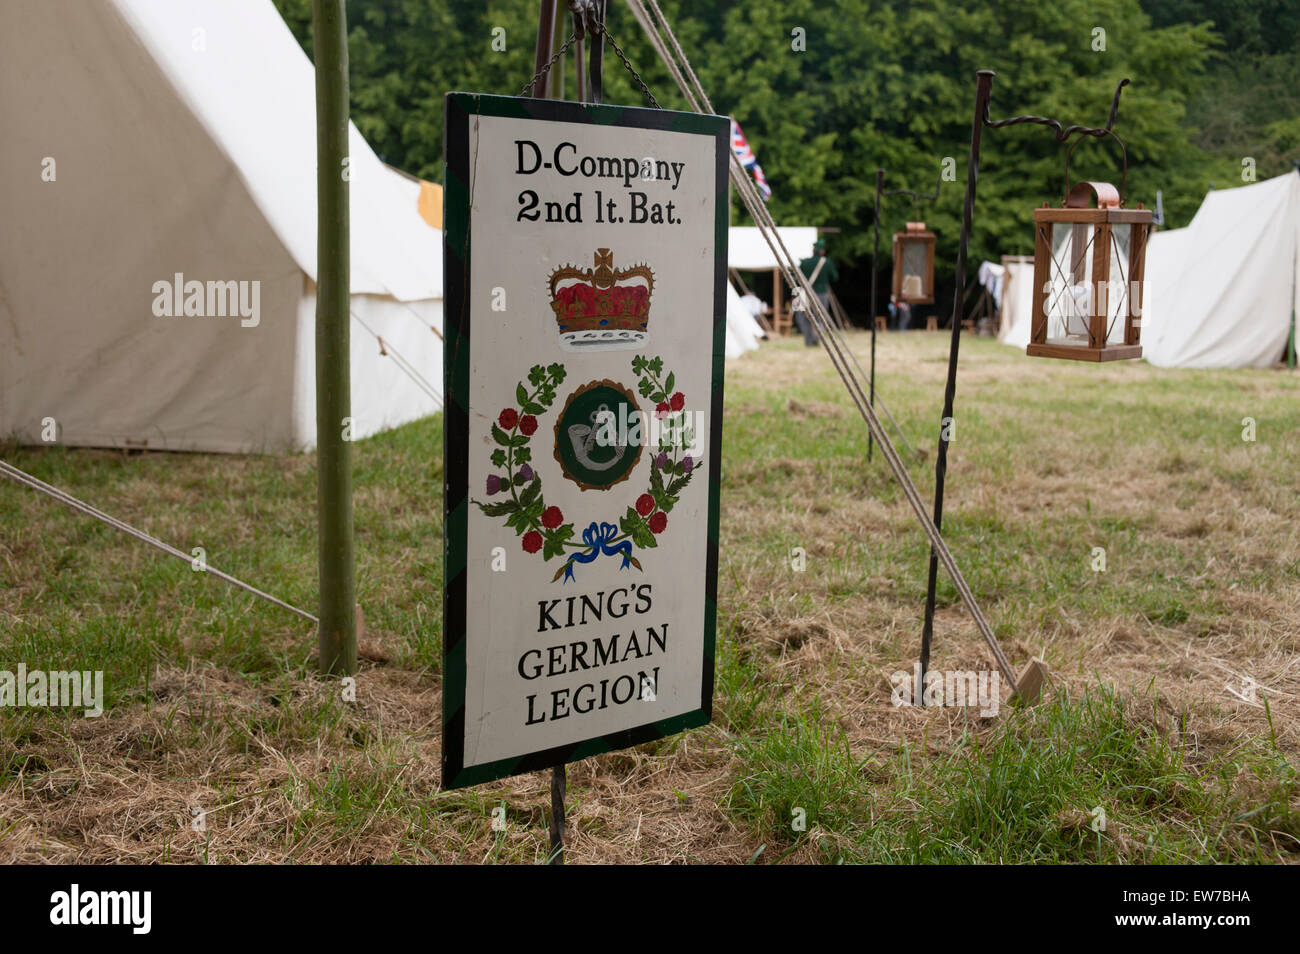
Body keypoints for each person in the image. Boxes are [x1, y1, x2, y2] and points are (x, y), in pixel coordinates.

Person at [796, 238, 839, 347]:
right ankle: (817, 337)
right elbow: (835, 277)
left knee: (805, 318)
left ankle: (808, 341)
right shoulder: (827, 262)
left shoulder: (804, 263)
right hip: (821, 293)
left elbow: (797, 280)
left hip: (804, 293)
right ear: (822, 251)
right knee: (820, 317)